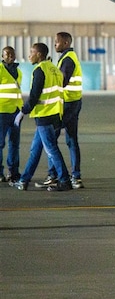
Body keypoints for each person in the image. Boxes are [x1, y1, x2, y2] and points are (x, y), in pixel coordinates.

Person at [9, 43, 71, 192]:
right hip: (55, 115)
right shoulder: (54, 69)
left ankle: (65, 180)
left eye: (32, 52)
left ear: (40, 55)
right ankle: (24, 180)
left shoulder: (40, 70)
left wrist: (22, 112)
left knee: (51, 150)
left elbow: (34, 96)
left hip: (45, 116)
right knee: (35, 150)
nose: (29, 55)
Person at [51, 32, 84, 189]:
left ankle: (54, 175)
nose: (55, 44)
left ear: (65, 43)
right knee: (71, 140)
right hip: (73, 102)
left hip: (67, 104)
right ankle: (75, 176)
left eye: (57, 42)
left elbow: (62, 81)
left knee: (51, 138)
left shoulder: (67, 59)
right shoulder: (69, 57)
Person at [0, 46, 22, 183]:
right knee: (0, 144)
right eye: (7, 54)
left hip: (16, 111)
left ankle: (13, 172)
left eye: (12, 54)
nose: (10, 56)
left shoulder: (19, 71)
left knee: (14, 144)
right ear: (2, 57)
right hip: (1, 111)